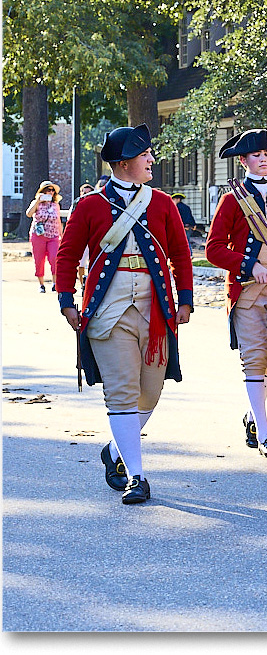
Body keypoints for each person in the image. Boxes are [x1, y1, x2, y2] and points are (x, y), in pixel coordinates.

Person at [55, 123, 194, 505]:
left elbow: (181, 254)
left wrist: (184, 299)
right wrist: (66, 299)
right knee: (122, 393)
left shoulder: (162, 203)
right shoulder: (90, 205)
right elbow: (67, 255)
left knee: (151, 390)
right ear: (123, 162)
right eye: (143, 154)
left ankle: (115, 451)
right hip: (108, 310)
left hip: (155, 309)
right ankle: (137, 476)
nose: (151, 159)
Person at [206, 129, 267, 460]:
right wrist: (247, 265)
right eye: (256, 155)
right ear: (244, 160)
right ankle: (266, 433)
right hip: (247, 293)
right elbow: (214, 249)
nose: (263, 160)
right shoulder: (232, 199)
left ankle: (252, 415)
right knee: (255, 359)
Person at [26, 180, 63, 293]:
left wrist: (61, 235)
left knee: (54, 258)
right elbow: (29, 213)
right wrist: (38, 201)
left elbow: (58, 220)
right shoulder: (36, 203)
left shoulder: (55, 204)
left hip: (53, 236)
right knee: (39, 260)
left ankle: (54, 283)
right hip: (39, 235)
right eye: (47, 190)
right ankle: (41, 284)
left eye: (52, 190)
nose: (50, 192)